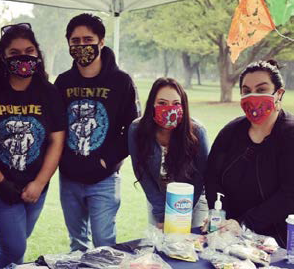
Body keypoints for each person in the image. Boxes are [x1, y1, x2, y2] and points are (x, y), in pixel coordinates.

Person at [55, 13, 139, 252]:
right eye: (75, 41)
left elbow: (133, 130)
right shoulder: (62, 82)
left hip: (104, 179)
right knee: (77, 243)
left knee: (104, 243)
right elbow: (55, 127)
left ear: (101, 42)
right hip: (69, 178)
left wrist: (107, 160)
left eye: (87, 39)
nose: (82, 46)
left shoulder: (121, 82)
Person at [0, 23, 65, 269]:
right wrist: (0, 183)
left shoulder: (49, 93)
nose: (23, 57)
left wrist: (40, 183)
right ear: (3, 57)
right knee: (14, 248)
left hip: (35, 190)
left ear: (37, 55)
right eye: (14, 53)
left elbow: (57, 141)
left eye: (29, 51)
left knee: (16, 248)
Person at [205, 60, 294, 247]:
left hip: (279, 241)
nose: (253, 96)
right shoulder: (230, 132)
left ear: (279, 93)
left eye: (261, 90)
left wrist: (244, 223)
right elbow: (212, 177)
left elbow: (289, 194)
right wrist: (220, 217)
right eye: (246, 91)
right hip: (230, 236)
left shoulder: (290, 135)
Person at [128, 77, 209, 228]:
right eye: (162, 103)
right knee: (160, 245)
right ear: (152, 103)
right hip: (158, 197)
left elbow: (202, 176)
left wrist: (181, 213)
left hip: (193, 199)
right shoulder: (136, 130)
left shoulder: (197, 132)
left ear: (183, 106)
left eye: (176, 104)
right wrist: (160, 213)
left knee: (191, 245)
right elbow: (141, 172)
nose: (169, 109)